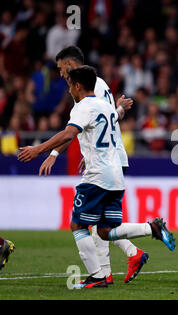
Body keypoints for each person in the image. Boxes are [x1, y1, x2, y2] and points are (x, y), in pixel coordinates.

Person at [18, 66, 175, 288]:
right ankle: (152, 228)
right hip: (115, 176)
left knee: (77, 225)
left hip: (97, 176)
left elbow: (68, 133)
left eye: (70, 85)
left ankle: (97, 276)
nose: (69, 90)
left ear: (78, 86)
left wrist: (38, 149)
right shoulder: (107, 107)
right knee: (104, 230)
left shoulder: (83, 106)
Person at [38, 46, 145, 285]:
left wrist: (52, 152)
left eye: (61, 68)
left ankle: (105, 272)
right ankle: (129, 255)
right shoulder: (98, 83)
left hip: (107, 159)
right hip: (108, 155)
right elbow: (106, 119)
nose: (61, 74)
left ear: (69, 64)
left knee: (89, 222)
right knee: (99, 223)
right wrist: (117, 110)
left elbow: (73, 130)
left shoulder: (86, 87)